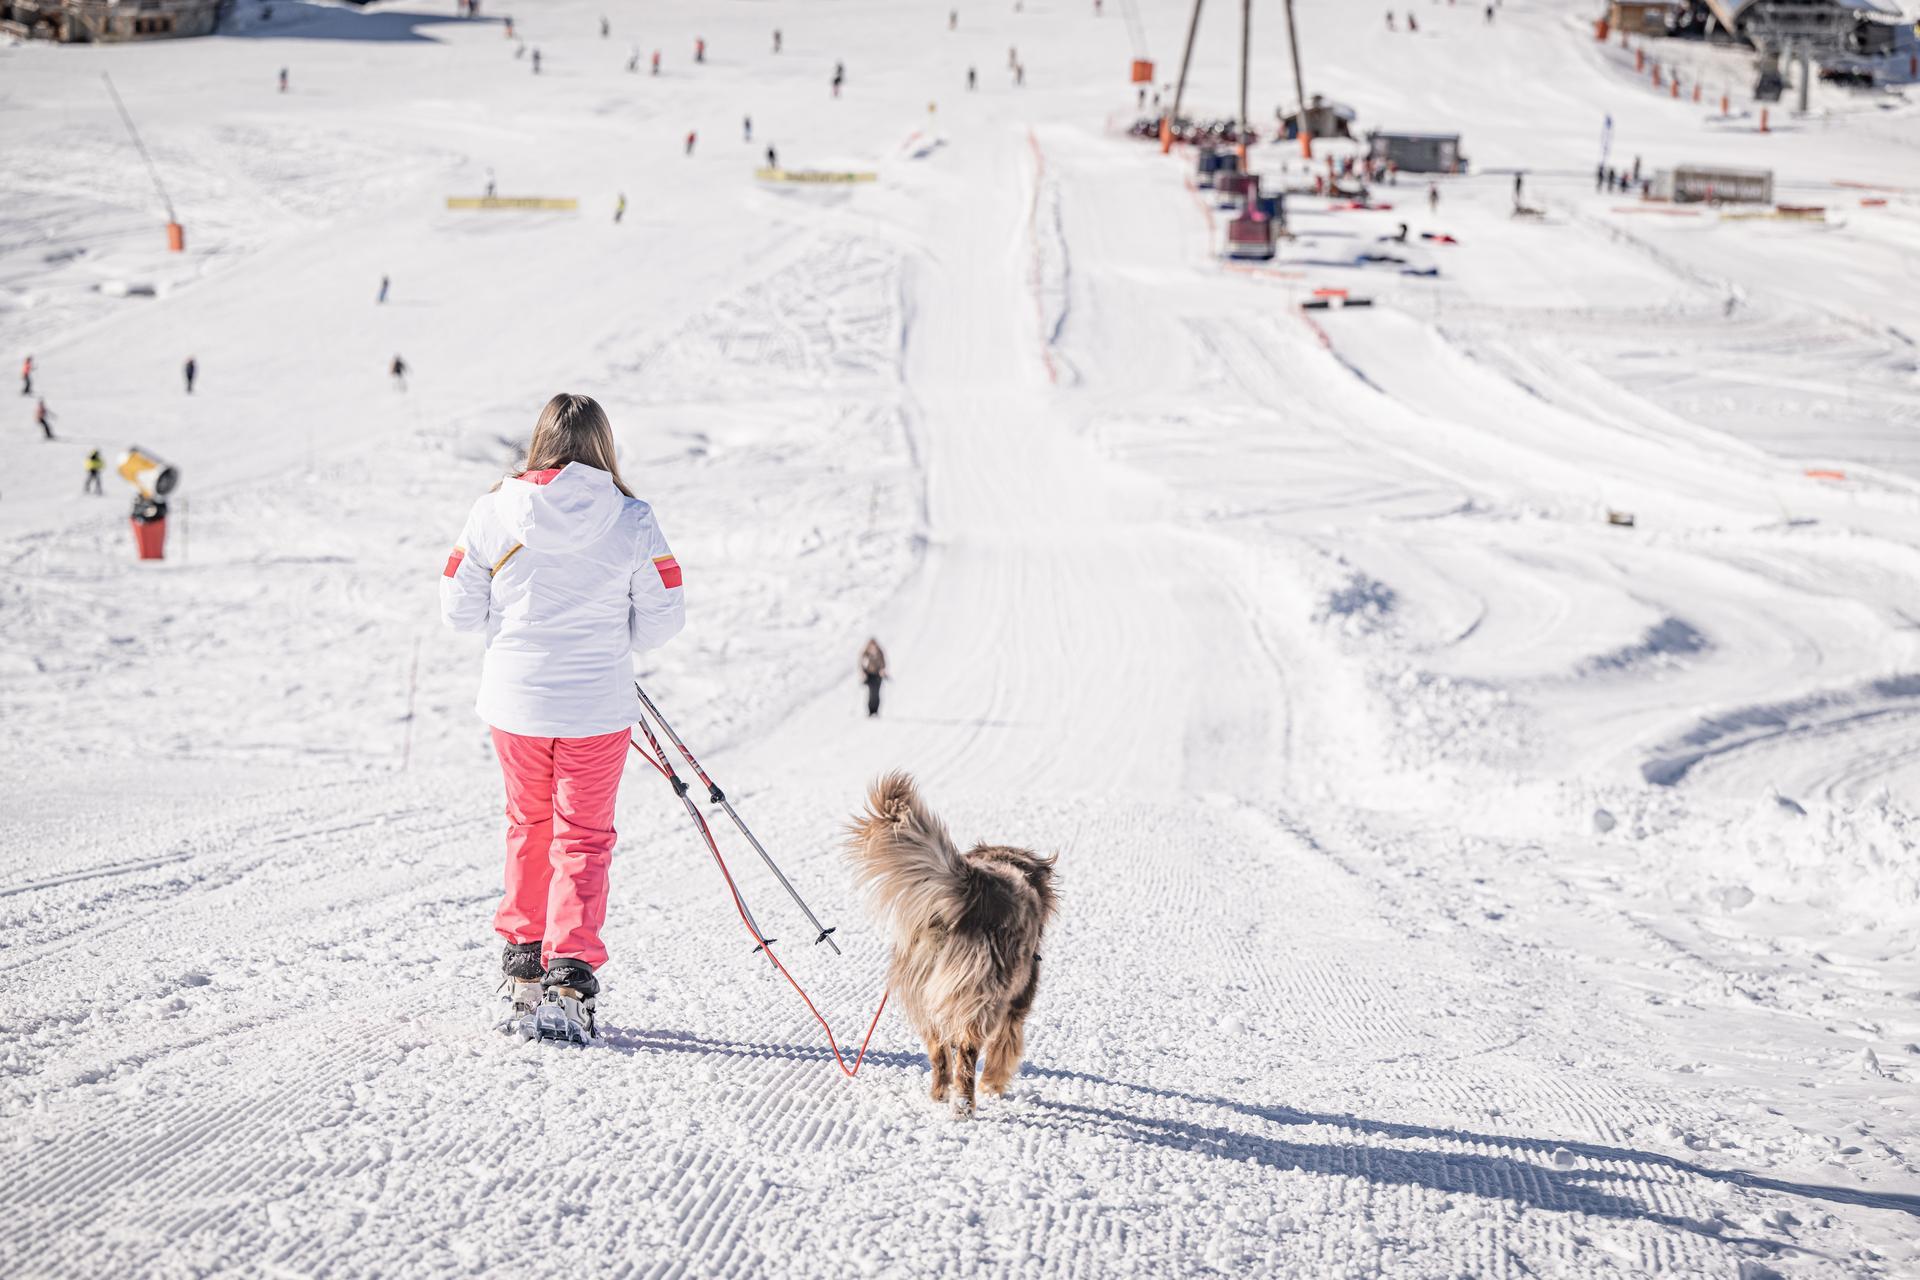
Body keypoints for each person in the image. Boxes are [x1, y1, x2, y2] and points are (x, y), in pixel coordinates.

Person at [440, 393, 684, 1041]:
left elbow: (458, 608)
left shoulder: (494, 510)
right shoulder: (632, 519)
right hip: (596, 703)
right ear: (604, 445)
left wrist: (513, 624)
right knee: (583, 835)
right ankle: (569, 974)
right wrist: (612, 632)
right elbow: (664, 615)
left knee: (530, 823)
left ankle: (523, 964)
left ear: (539, 441)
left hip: (515, 699)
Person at [859, 639, 888, 717]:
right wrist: (863, 674)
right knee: (871, 693)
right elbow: (862, 665)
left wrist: (882, 670)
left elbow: (883, 663)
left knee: (876, 693)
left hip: (877, 675)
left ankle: (876, 710)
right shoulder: (866, 654)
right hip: (870, 676)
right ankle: (871, 710)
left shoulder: (879, 653)